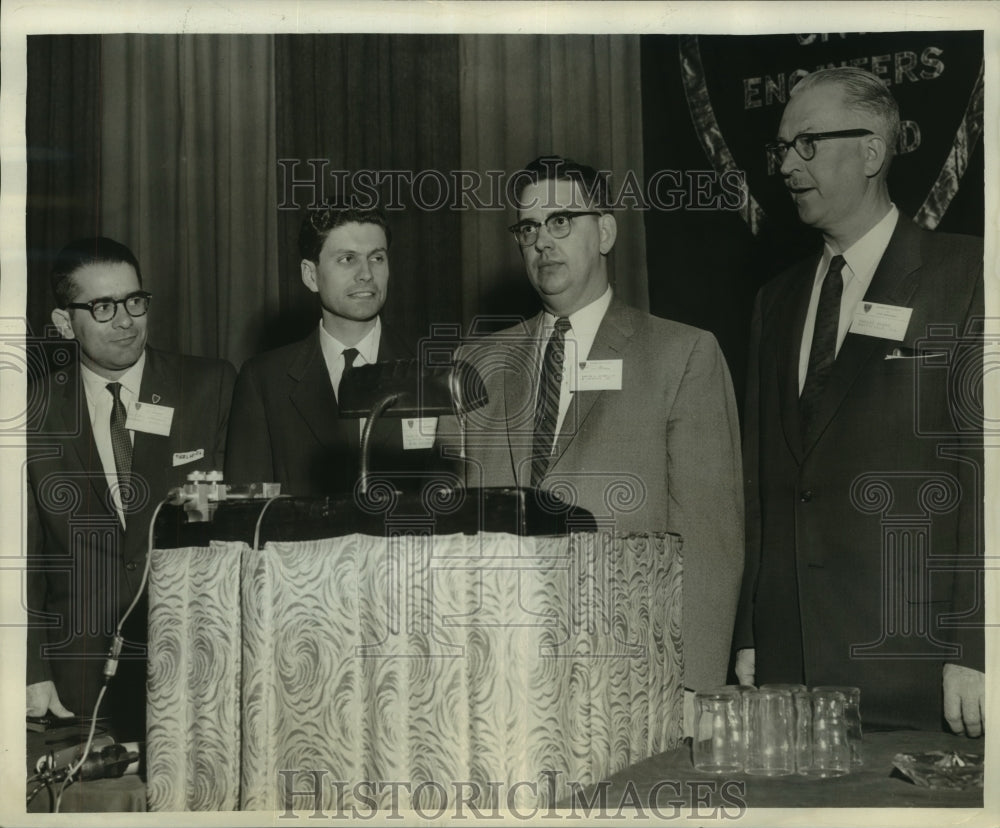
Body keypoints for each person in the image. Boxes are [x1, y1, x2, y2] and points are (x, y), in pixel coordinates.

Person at [735, 67, 985, 734]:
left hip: (920, 673)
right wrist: (753, 632)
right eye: (781, 149)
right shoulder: (774, 301)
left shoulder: (969, 276)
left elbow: (984, 477)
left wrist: (978, 648)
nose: (786, 166)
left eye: (806, 145)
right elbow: (761, 486)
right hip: (791, 675)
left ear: (873, 151)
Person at [447, 156, 744, 700]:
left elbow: (710, 543)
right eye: (528, 227)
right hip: (497, 677)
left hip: (631, 677)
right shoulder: (477, 364)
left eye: (562, 221)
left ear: (605, 231)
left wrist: (695, 689)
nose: (542, 240)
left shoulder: (683, 355)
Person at [26, 237, 236, 740]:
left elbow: (233, 527)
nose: (126, 320)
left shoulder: (210, 387)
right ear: (62, 323)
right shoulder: (31, 410)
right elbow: (20, 555)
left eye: (134, 301)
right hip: (71, 683)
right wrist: (29, 668)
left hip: (195, 664)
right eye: (103, 307)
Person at [225, 207, 435, 496]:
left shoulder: (432, 366)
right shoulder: (263, 381)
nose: (366, 274)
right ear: (310, 275)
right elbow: (245, 514)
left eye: (377, 258)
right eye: (347, 259)